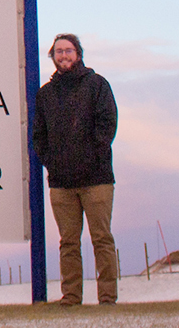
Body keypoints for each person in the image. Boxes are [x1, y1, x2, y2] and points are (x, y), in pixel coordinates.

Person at [30, 32, 119, 305]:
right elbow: (39, 136)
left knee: (101, 239)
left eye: (68, 50)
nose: (64, 55)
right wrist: (53, 162)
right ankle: (71, 297)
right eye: (59, 51)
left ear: (78, 54)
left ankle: (107, 297)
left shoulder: (97, 85)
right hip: (61, 184)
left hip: (97, 180)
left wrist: (91, 156)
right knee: (68, 243)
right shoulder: (45, 95)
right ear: (53, 56)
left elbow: (108, 125)